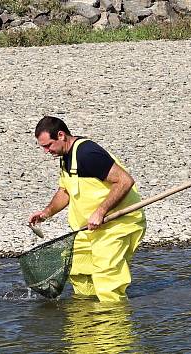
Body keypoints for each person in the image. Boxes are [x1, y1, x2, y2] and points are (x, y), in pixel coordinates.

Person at [28, 116, 146, 302]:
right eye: (42, 147)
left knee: (107, 278)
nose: (45, 151)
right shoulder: (65, 156)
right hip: (88, 229)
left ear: (61, 135)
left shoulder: (88, 154)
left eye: (48, 145)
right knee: (77, 270)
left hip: (117, 225)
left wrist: (101, 211)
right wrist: (46, 212)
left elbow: (125, 181)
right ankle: (87, 321)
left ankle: (112, 325)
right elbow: (65, 190)